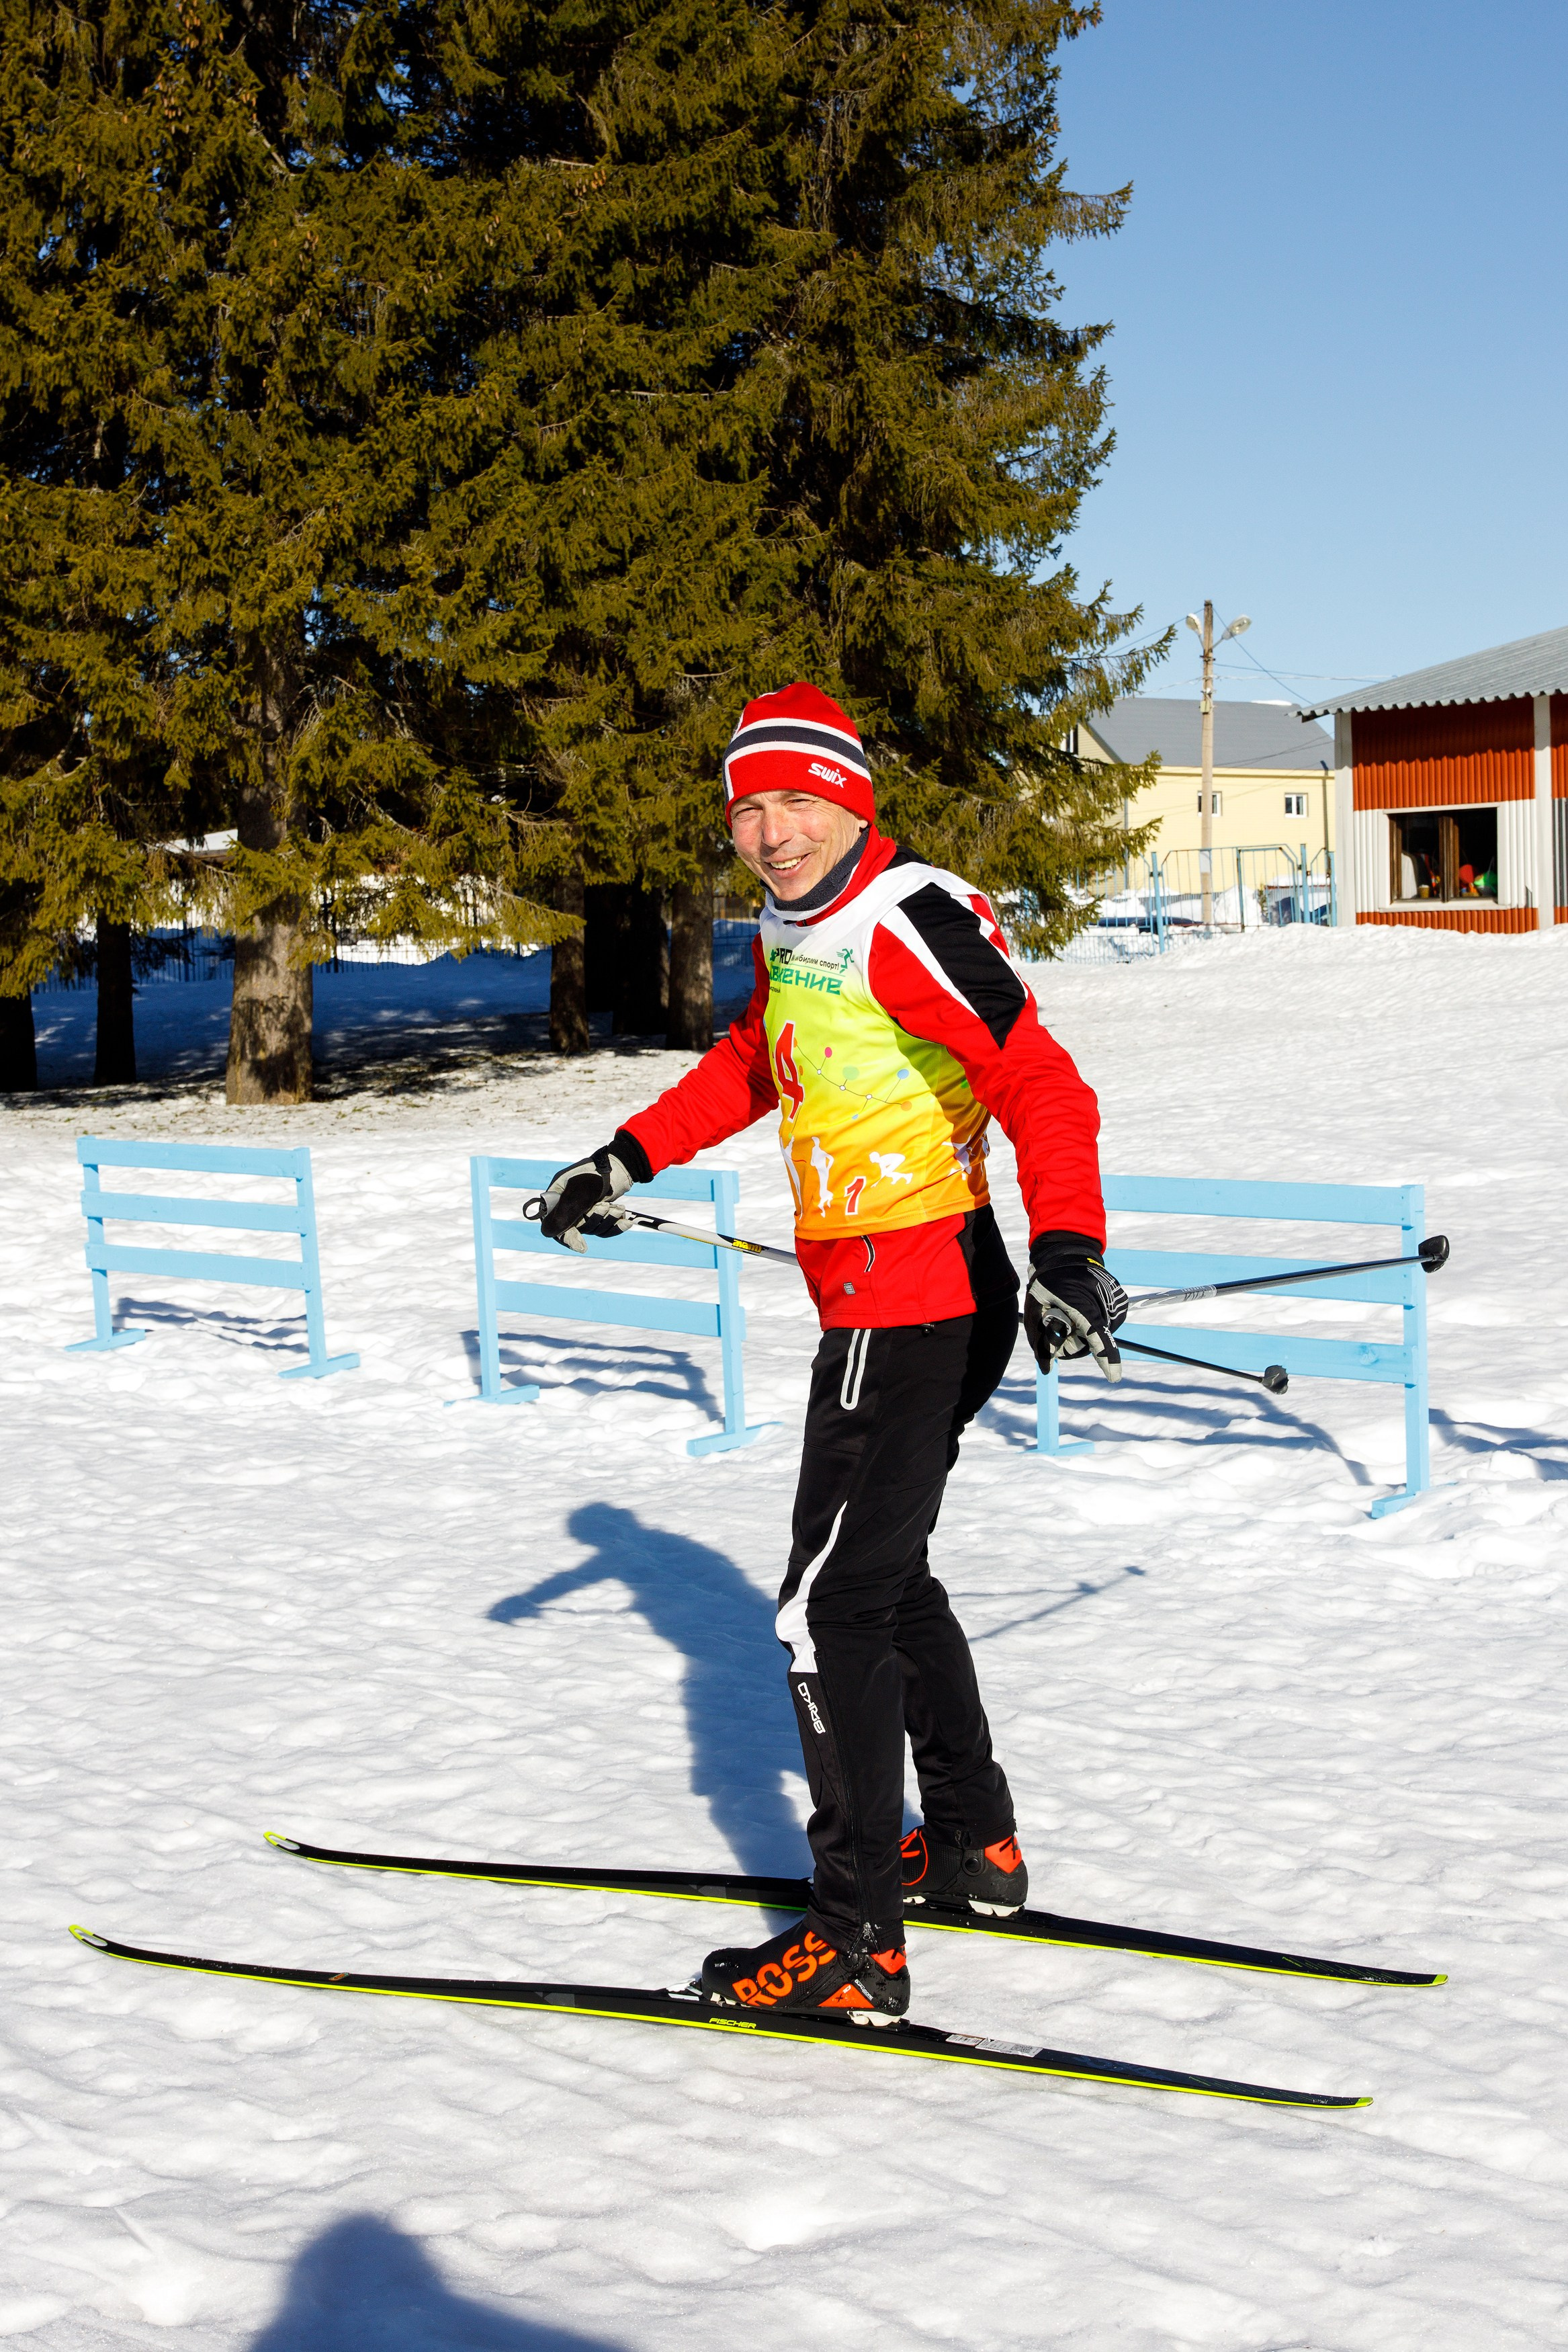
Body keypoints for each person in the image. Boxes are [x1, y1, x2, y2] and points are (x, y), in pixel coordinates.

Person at [539, 682, 1125, 2023]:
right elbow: (761, 1056)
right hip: (898, 1293)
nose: (771, 832)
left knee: (824, 1611)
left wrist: (1071, 1248)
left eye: (798, 801)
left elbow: (1040, 1079)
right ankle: (971, 1846)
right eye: (749, 807)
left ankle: (857, 1939)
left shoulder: (907, 918)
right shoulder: (796, 924)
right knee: (883, 1578)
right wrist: (623, 1156)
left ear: (851, 801)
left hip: (910, 1305)